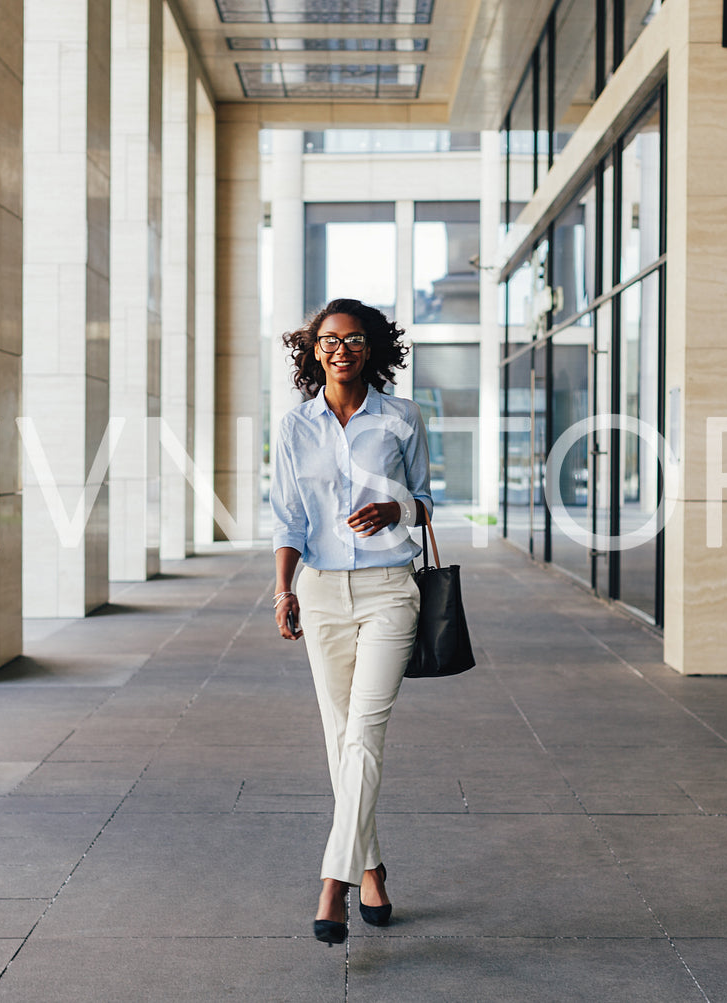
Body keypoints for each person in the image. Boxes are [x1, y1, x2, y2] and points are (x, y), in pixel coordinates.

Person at [269, 298, 433, 946]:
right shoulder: (294, 426)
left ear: (373, 349)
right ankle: (370, 865)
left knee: (364, 731)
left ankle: (331, 885)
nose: (341, 349)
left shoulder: (401, 417)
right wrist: (283, 591)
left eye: (354, 339)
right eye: (328, 339)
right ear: (312, 350)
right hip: (321, 592)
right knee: (340, 738)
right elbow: (287, 518)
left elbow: (426, 502)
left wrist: (397, 510)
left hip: (390, 589)